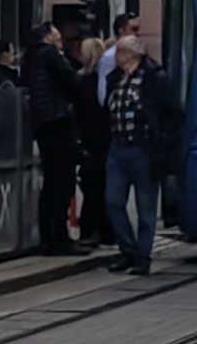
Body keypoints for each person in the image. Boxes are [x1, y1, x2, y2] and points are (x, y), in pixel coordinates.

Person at [104, 36, 171, 275]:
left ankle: (142, 256)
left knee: (146, 208)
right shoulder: (116, 79)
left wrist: (162, 143)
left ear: (130, 54)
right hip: (118, 146)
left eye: (119, 52)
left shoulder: (153, 77)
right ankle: (127, 249)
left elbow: (168, 112)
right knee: (113, 201)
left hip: (143, 148)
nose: (116, 57)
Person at [23, 22, 87, 256]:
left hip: (43, 123)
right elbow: (72, 81)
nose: (60, 38)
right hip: (57, 121)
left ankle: (48, 237)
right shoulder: (50, 55)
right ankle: (59, 237)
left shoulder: (32, 58)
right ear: (48, 37)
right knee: (62, 181)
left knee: (51, 182)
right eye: (56, 35)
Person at [76, 37, 113, 248]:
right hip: (102, 139)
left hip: (89, 139)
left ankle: (91, 229)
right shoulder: (102, 80)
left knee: (92, 187)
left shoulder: (81, 80)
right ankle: (103, 230)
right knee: (100, 186)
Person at [96, 14, 141, 106]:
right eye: (134, 29)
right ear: (122, 31)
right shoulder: (110, 56)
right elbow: (103, 90)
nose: (138, 33)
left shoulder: (138, 53)